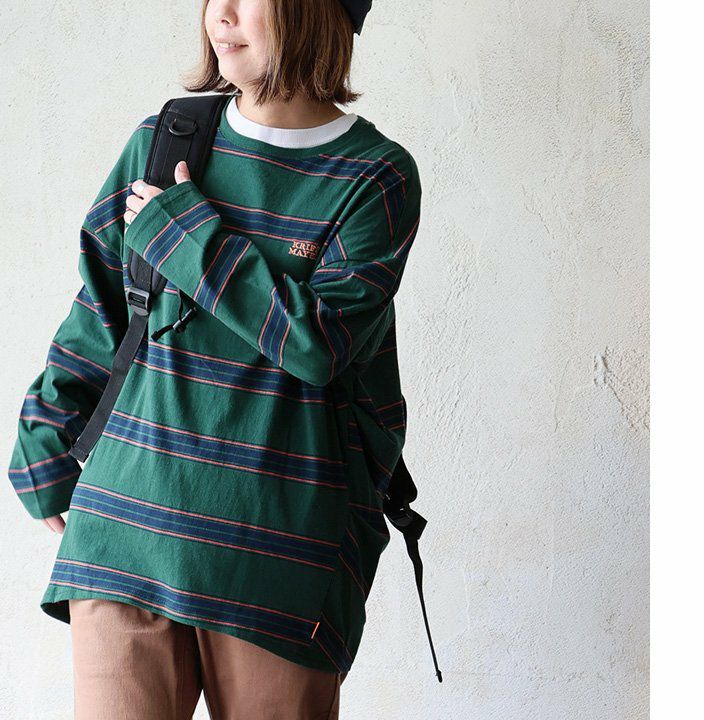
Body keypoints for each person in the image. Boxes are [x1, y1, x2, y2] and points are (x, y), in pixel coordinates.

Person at [7, 0, 422, 717]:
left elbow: (317, 345)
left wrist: (190, 238)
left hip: (278, 554)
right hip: (123, 531)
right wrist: (43, 434)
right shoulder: (167, 141)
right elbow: (102, 304)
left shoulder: (375, 176)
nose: (220, 14)